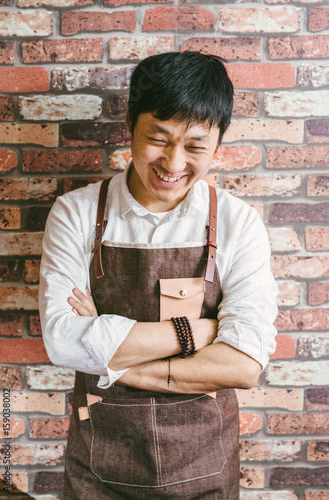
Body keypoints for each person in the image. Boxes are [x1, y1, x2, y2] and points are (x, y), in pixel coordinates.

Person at [39, 51, 278, 499]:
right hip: (99, 467)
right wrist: (199, 333)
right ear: (130, 124)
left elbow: (244, 365)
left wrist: (110, 362)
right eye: (159, 138)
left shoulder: (237, 223)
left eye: (195, 146)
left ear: (218, 143)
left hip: (205, 467)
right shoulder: (76, 213)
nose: (173, 162)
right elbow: (63, 341)